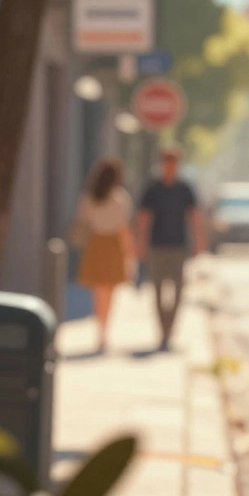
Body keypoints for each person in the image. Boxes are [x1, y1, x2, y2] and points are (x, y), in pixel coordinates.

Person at [137, 147, 206, 352]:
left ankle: (170, 330)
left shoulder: (185, 188)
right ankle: (162, 331)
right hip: (157, 245)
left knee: (178, 290)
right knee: (158, 289)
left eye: (173, 163)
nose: (170, 167)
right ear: (162, 164)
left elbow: (194, 216)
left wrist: (199, 242)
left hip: (179, 246)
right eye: (167, 163)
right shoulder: (153, 188)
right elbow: (144, 217)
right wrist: (141, 243)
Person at [72, 158, 135, 354]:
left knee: (98, 292)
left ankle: (100, 331)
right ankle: (104, 332)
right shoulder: (120, 198)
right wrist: (129, 251)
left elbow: (83, 221)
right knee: (109, 292)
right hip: (112, 245)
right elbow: (123, 228)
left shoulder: (89, 197)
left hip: (95, 244)